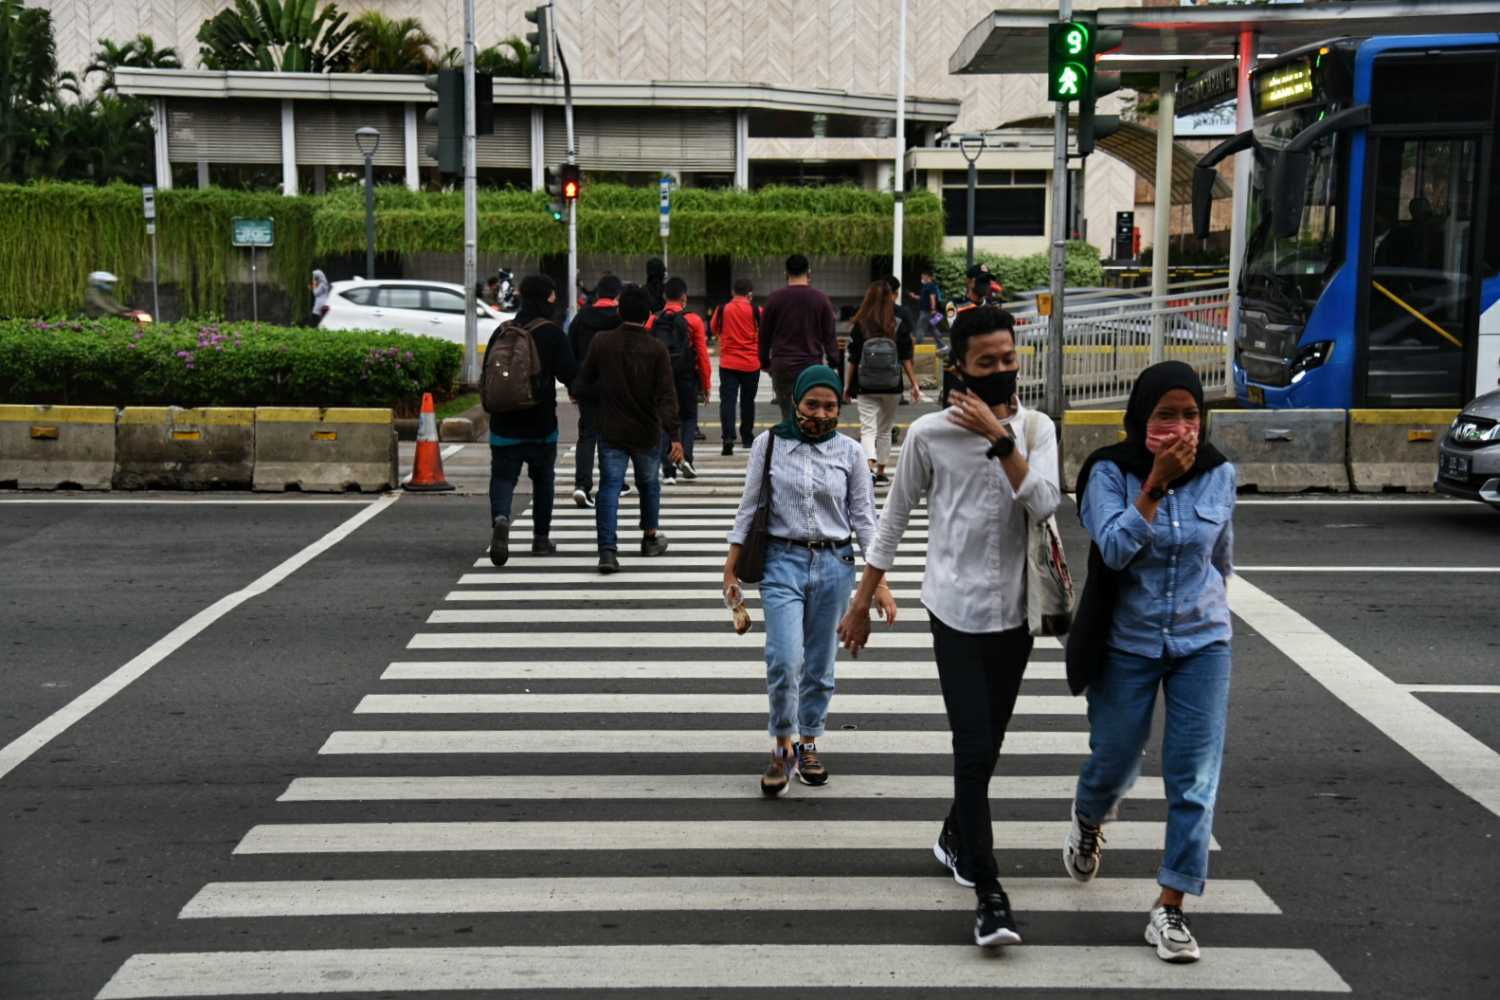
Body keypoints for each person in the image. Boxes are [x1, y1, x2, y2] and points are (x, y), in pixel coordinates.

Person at [838, 306, 1060, 949]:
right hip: (954, 613)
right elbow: (893, 520)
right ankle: (990, 894)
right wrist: (860, 602)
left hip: (1016, 614)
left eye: (1008, 359)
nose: (1000, 370)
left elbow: (1046, 505)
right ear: (958, 366)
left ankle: (953, 833)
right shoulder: (929, 435)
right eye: (985, 362)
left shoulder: (1036, 429)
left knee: (988, 747)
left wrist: (1001, 436)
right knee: (971, 745)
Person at [1065, 360, 1235, 965]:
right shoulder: (1107, 472)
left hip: (1202, 642)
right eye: (1167, 415)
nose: (1182, 428)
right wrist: (1155, 485)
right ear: (1141, 418)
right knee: (1114, 759)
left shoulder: (1220, 475)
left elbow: (1221, 561)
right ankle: (1090, 816)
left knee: (1194, 778)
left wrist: (1205, 611)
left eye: (1191, 415)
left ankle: (1171, 906)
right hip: (1126, 642)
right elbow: (1112, 549)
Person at [723, 365, 888, 796]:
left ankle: (808, 743)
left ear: (840, 407)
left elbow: (865, 521)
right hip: (782, 562)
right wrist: (729, 569)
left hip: (836, 565)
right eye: (811, 404)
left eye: (829, 405)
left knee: (819, 667)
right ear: (795, 402)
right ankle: (782, 747)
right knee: (783, 659)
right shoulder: (769, 443)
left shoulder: (851, 452)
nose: (820, 413)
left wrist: (881, 584)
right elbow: (749, 506)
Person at [577, 284, 683, 574]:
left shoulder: (602, 342)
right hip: (647, 432)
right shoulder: (656, 348)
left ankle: (607, 551)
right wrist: (675, 436)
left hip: (611, 429)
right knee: (648, 484)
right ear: (649, 314)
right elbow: (666, 395)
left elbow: (585, 377)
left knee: (609, 486)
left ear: (619, 311)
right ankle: (649, 539)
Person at [486, 274, 579, 567]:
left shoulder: (503, 331)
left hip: (504, 423)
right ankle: (540, 539)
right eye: (553, 297)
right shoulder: (551, 333)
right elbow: (570, 375)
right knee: (543, 480)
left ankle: (501, 518)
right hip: (541, 425)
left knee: (503, 476)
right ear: (544, 298)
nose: (555, 302)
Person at [844, 281, 920, 485]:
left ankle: (868, 467)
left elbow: (853, 358)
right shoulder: (898, 323)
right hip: (892, 385)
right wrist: (914, 384)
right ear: (890, 297)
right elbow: (905, 357)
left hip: (865, 384)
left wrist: (847, 386)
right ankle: (881, 472)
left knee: (868, 428)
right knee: (885, 429)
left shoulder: (861, 324)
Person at [759, 253, 839, 423]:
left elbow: (764, 335)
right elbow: (829, 336)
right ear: (808, 273)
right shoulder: (821, 299)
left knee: (788, 418)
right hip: (811, 368)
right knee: (812, 418)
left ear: (786, 274)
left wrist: (765, 363)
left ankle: (790, 448)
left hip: (782, 367)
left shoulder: (774, 299)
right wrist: (833, 363)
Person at [567, 274, 623, 508]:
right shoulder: (621, 319)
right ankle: (613, 483)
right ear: (618, 296)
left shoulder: (581, 318)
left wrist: (573, 386)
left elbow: (570, 354)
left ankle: (582, 485)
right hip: (616, 388)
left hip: (587, 386)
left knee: (587, 435)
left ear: (598, 294)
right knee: (612, 437)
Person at [647, 276, 711, 483]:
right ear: (684, 297)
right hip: (686, 375)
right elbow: (701, 353)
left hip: (660, 376)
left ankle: (668, 471)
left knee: (663, 419)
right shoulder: (693, 320)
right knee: (688, 416)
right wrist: (706, 383)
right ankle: (686, 460)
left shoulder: (653, 320)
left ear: (665, 296)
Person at [712, 278, 762, 456]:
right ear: (750, 294)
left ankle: (728, 437)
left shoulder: (722, 309)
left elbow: (714, 328)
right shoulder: (757, 310)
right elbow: (764, 332)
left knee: (728, 400)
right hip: (751, 362)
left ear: (733, 292)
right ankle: (747, 437)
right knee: (748, 401)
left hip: (728, 363)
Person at [912, 268, 945, 349]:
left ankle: (917, 345)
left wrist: (933, 309)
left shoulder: (931, 286)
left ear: (927, 277)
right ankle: (942, 345)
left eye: (922, 277)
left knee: (920, 327)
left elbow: (932, 298)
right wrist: (914, 296)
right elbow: (922, 298)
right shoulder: (926, 287)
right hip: (926, 310)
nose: (922, 279)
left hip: (927, 311)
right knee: (932, 327)